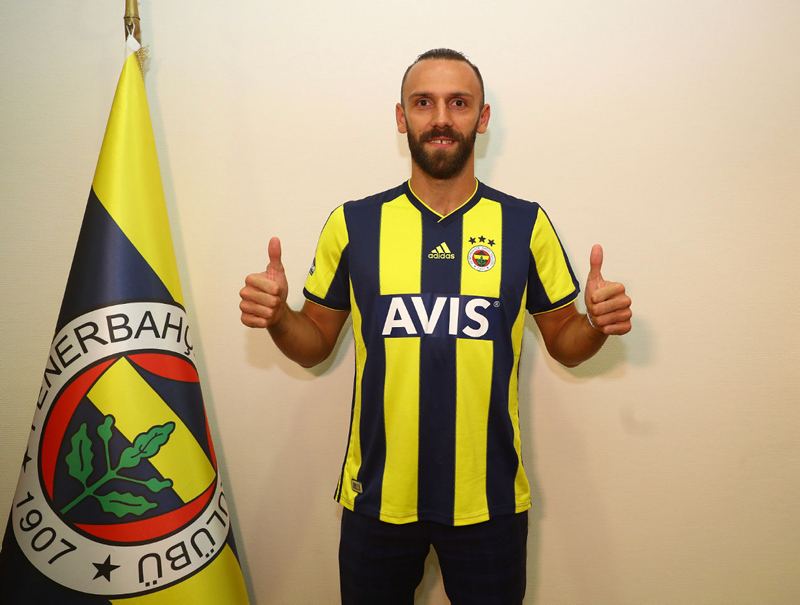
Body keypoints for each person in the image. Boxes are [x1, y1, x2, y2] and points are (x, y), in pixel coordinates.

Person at [240, 48, 632, 605]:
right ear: (401, 118)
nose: (441, 118)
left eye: (458, 103)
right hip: (377, 496)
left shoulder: (525, 224)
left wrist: (595, 325)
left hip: (489, 499)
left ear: (482, 118)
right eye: (423, 103)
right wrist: (280, 318)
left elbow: (565, 342)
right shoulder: (353, 223)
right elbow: (316, 344)